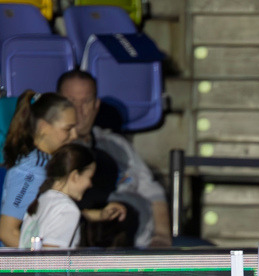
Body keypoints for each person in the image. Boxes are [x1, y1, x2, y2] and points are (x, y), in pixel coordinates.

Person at [57, 70, 172, 249]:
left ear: (96, 105)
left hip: (142, 243)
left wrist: (163, 236)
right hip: (93, 247)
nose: (79, 111)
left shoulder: (115, 144)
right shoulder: (54, 152)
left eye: (86, 102)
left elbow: (153, 192)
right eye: (71, 101)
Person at [1, 92, 78, 248]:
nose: (75, 135)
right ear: (43, 127)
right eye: (68, 129)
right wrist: (42, 267)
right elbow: (6, 231)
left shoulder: (47, 163)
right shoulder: (31, 171)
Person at [18, 144, 96, 249]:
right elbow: (52, 260)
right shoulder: (67, 209)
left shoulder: (41, 201)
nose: (90, 184)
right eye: (89, 177)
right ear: (75, 176)